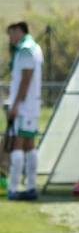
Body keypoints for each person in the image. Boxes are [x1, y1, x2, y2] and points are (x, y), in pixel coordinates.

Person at [5, 22, 43, 200]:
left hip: (24, 106)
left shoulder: (26, 50)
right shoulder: (33, 47)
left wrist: (15, 104)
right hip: (31, 105)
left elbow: (25, 80)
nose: (10, 38)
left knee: (17, 144)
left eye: (11, 33)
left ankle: (13, 188)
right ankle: (30, 187)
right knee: (29, 145)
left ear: (20, 31)